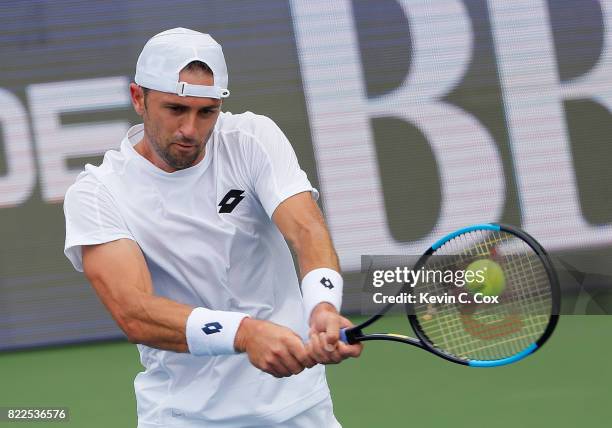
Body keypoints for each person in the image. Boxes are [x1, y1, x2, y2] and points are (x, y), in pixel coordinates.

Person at [63, 27, 362, 427]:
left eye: (207, 112)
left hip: (300, 410)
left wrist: (323, 306)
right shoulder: (99, 193)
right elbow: (134, 312)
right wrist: (246, 334)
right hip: (185, 417)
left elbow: (307, 230)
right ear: (139, 98)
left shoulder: (251, 139)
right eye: (175, 109)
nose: (191, 129)